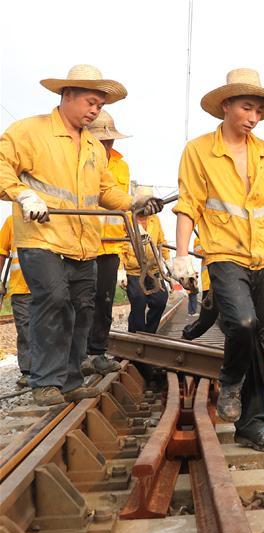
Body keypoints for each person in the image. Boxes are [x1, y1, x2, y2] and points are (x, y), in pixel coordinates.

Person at [171, 68, 264, 453]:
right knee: (242, 323)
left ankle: (252, 424)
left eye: (258, 110)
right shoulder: (199, 150)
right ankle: (231, 377)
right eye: (247, 108)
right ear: (226, 106)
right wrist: (182, 254)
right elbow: (188, 204)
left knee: (260, 340)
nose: (254, 117)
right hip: (224, 254)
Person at [0, 65, 163, 406]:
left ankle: (71, 380)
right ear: (67, 95)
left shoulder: (91, 145)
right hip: (42, 239)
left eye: (100, 105)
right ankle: (45, 381)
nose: (95, 111)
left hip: (82, 243)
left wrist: (135, 203)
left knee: (82, 308)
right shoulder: (30, 132)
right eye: (91, 102)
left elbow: (106, 190)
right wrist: (23, 195)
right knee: (54, 301)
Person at [84, 109, 130, 374]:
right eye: (102, 140)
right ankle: (77, 356)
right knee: (79, 301)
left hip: (111, 244)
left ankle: (97, 352)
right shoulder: (79, 160)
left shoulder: (122, 166)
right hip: (83, 241)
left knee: (104, 301)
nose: (107, 145)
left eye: (110, 140)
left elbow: (122, 207)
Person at [120, 205, 169, 334]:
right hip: (134, 270)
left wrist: (168, 261)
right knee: (138, 301)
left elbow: (161, 242)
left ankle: (149, 333)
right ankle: (136, 337)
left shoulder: (155, 219)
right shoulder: (126, 219)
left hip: (153, 268)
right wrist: (121, 270)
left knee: (161, 299)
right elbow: (119, 245)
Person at [0, 214, 31, 387]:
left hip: (47, 287)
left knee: (50, 329)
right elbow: (1, 251)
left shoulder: (55, 218)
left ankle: (50, 371)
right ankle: (28, 372)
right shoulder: (12, 221)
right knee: (26, 330)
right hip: (21, 287)